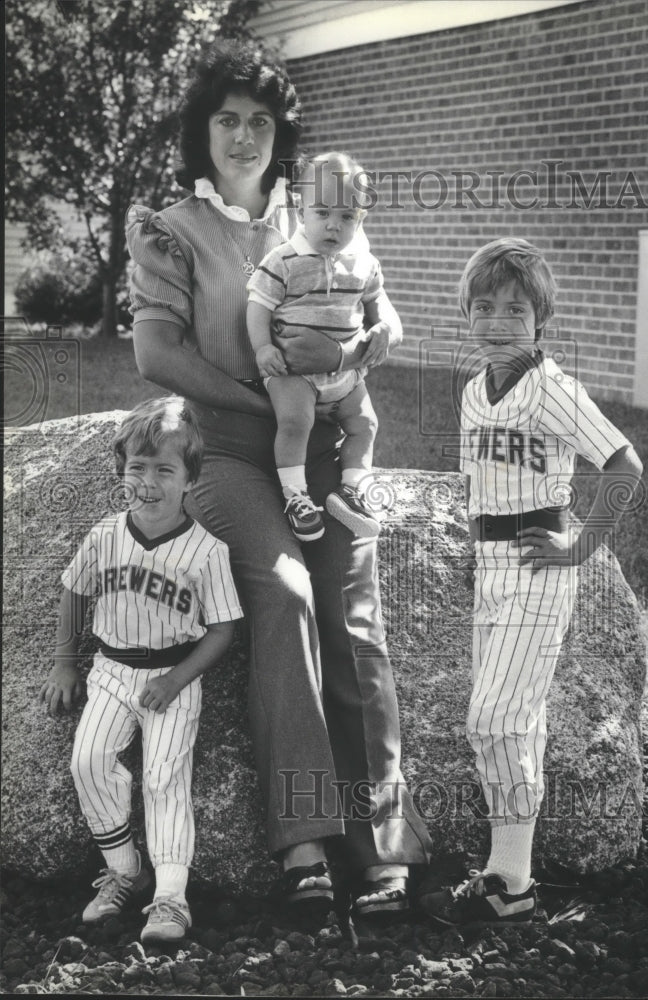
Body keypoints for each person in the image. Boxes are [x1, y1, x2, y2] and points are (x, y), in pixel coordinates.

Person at [126, 38, 431, 919]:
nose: (244, 137)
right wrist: (264, 408)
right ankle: (302, 841)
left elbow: (380, 299)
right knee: (290, 594)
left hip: (326, 454)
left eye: (260, 123)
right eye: (227, 120)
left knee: (354, 615)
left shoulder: (317, 219)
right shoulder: (171, 229)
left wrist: (382, 335)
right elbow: (154, 353)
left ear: (279, 137)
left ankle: (379, 845)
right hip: (226, 455)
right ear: (202, 132)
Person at [420, 238, 643, 926]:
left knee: (494, 720)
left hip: (538, 565)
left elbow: (623, 466)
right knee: (519, 725)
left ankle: (508, 882)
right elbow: (478, 483)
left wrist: (578, 550)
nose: (493, 322)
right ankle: (506, 876)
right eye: (481, 307)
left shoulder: (551, 389)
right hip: (490, 564)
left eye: (512, 310)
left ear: (538, 320)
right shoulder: (472, 390)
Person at [39, 397, 243, 943]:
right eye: (137, 467)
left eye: (164, 469)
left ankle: (171, 899)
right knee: (89, 760)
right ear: (121, 472)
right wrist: (65, 663)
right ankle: (123, 871)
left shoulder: (206, 551)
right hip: (109, 668)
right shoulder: (106, 534)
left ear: (189, 479)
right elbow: (73, 592)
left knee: (164, 780)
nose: (148, 481)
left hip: (174, 677)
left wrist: (178, 679)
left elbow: (223, 629)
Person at [246, 151, 396, 542]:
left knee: (366, 425)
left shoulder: (363, 264)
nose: (334, 225)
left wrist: (381, 325)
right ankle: (296, 497)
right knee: (296, 423)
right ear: (301, 211)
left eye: (347, 216)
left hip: (346, 374)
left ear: (361, 219)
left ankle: (352, 490)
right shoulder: (284, 261)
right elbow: (258, 307)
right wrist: (263, 348)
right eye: (323, 212)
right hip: (294, 373)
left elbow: (378, 305)